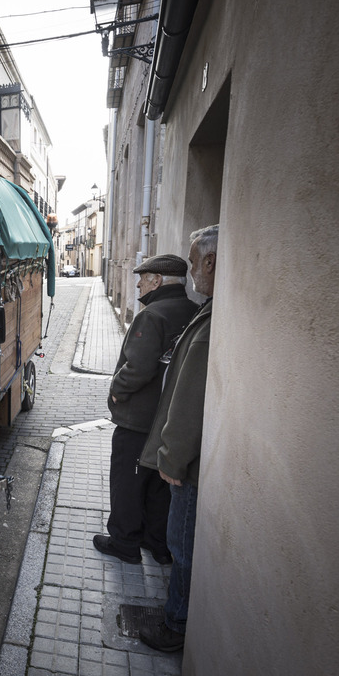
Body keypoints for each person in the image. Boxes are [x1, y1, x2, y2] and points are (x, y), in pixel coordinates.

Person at [137, 225, 218, 654]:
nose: (191, 275)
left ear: (210, 262)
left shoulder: (206, 320)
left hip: (185, 463)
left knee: (180, 544)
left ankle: (175, 623)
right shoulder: (202, 311)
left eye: (194, 262)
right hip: (187, 457)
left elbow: (188, 400)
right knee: (176, 541)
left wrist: (171, 457)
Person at [94, 254, 198, 565]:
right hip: (167, 418)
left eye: (144, 277)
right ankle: (157, 544)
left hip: (138, 420)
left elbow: (137, 368)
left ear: (158, 281)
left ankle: (124, 542)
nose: (138, 283)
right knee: (157, 486)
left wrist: (116, 390)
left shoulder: (152, 315)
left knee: (127, 482)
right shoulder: (193, 311)